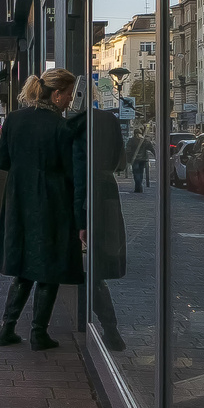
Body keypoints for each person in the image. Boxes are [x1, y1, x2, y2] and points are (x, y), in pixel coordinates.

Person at [0, 68, 83, 350]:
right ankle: (38, 332)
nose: (70, 100)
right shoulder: (62, 127)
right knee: (48, 268)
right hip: (52, 203)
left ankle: (6, 329)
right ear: (56, 94)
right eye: (68, 94)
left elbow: (3, 161)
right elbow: (73, 174)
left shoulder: (14, 120)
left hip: (19, 201)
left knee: (23, 267)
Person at [76, 91, 127, 352]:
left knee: (82, 266)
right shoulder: (109, 120)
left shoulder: (72, 123)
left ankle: (92, 324)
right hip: (106, 191)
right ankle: (110, 329)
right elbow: (120, 159)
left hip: (80, 193)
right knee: (96, 265)